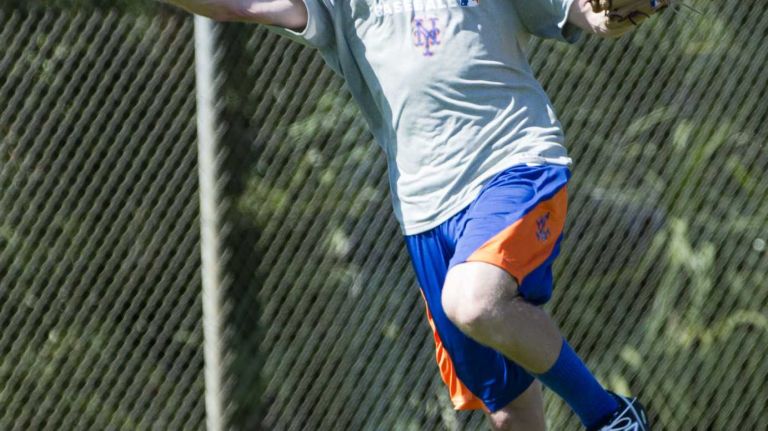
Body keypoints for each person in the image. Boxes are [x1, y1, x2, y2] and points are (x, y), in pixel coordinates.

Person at [165, 0, 651, 429]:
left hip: (513, 164)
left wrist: (605, 13)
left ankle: (610, 416)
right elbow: (241, 4)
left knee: (473, 300)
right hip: (425, 211)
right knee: (509, 408)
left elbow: (580, 10)